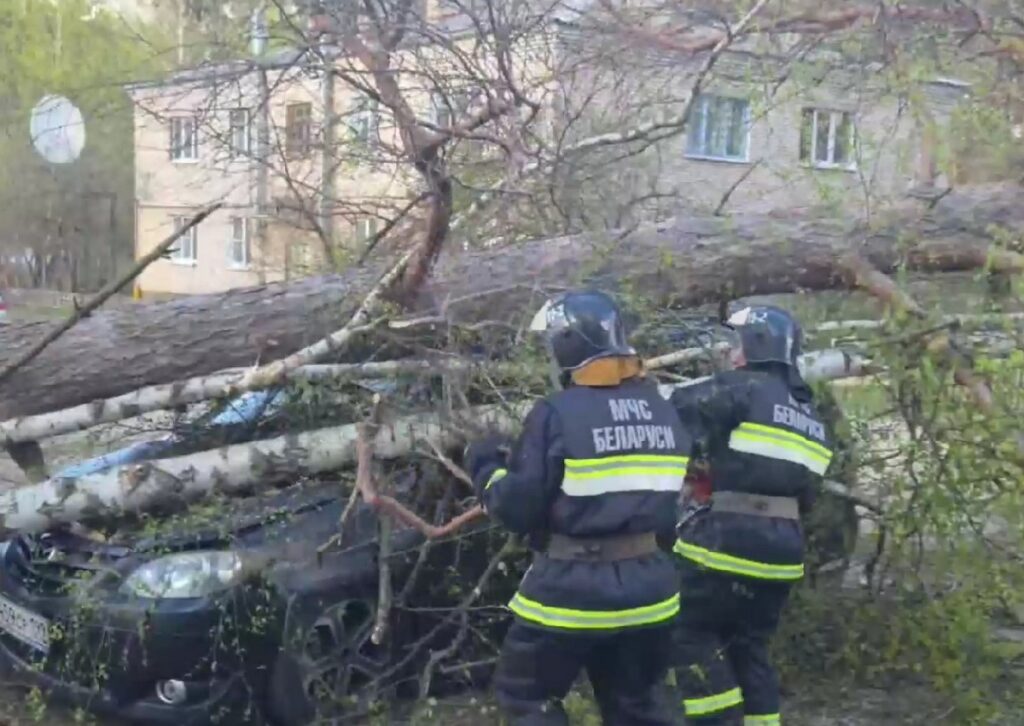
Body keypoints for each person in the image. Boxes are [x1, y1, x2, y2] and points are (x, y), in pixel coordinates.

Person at [465, 289, 693, 726]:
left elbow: (516, 509)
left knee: (526, 697)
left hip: (571, 591)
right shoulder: (663, 409)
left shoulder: (557, 412)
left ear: (566, 345)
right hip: (652, 591)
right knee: (637, 708)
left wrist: (486, 467)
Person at [668, 305, 834, 726]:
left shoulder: (743, 387)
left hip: (727, 543)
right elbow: (808, 496)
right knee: (750, 648)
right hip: (784, 553)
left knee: (687, 633)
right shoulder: (812, 418)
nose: (730, 353)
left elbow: (676, 411)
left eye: (737, 343)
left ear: (757, 345)